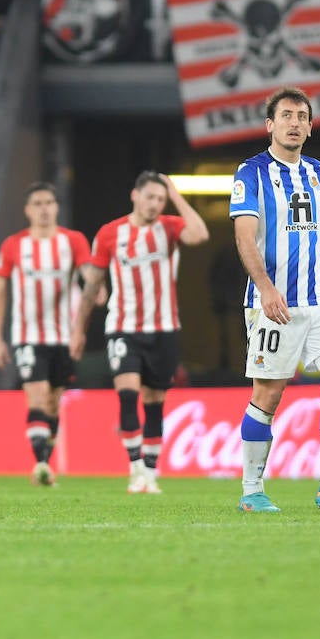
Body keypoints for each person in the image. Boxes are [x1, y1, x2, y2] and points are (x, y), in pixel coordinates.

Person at [230, 86, 320, 513]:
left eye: (302, 116)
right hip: (273, 304)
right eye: (287, 115)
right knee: (268, 394)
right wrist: (266, 287)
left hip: (318, 302)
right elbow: (244, 236)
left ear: (310, 127)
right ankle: (252, 491)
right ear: (270, 125)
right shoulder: (251, 173)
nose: (295, 122)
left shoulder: (318, 173)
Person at [72, 172, 208, 495]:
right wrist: (79, 329)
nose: (155, 204)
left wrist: (176, 195)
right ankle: (134, 469)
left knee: (155, 401)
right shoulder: (109, 234)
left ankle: (149, 471)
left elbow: (200, 234)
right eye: (150, 197)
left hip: (164, 328)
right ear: (135, 195)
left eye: (160, 199)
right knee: (128, 393)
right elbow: (92, 286)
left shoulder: (171, 227)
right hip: (123, 327)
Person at [0, 182, 91, 487]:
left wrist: (96, 292)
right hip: (27, 335)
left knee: (52, 402)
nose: (44, 208)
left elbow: (89, 275)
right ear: (27, 210)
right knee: (36, 394)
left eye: (49, 202)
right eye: (38, 203)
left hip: (63, 336)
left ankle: (44, 461)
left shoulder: (73, 241)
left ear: (57, 207)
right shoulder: (13, 245)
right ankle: (42, 465)